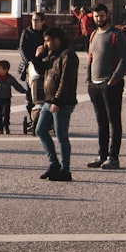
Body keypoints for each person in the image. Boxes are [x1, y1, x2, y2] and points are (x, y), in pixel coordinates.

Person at [30, 27, 79, 182]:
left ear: (57, 40)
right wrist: (38, 57)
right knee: (40, 130)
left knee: (61, 136)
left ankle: (66, 170)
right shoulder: (52, 54)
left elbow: (66, 80)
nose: (46, 44)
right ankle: (54, 164)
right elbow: (41, 69)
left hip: (62, 102)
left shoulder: (68, 55)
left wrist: (58, 101)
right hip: (49, 100)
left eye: (48, 40)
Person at [86, 3, 126, 170]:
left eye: (102, 15)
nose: (99, 19)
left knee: (114, 121)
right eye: (96, 16)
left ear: (107, 15)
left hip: (110, 85)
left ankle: (113, 157)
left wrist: (114, 79)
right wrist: (88, 80)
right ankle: (102, 155)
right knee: (101, 122)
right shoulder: (93, 35)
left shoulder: (116, 35)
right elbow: (91, 57)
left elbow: (125, 59)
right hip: (95, 85)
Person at [17, 12, 47, 129]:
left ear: (42, 21)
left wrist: (42, 55)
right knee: (30, 96)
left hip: (44, 66)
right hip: (30, 67)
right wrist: (31, 60)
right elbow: (22, 49)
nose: (34, 22)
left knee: (45, 95)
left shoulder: (47, 33)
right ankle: (32, 119)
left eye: (37, 20)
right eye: (33, 20)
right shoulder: (26, 32)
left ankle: (46, 119)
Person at [0, 60, 25, 134]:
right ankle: (0, 127)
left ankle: (6, 126)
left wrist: (23, 91)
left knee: (6, 113)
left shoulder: (9, 78)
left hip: (6, 99)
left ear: (6, 70)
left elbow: (16, 85)